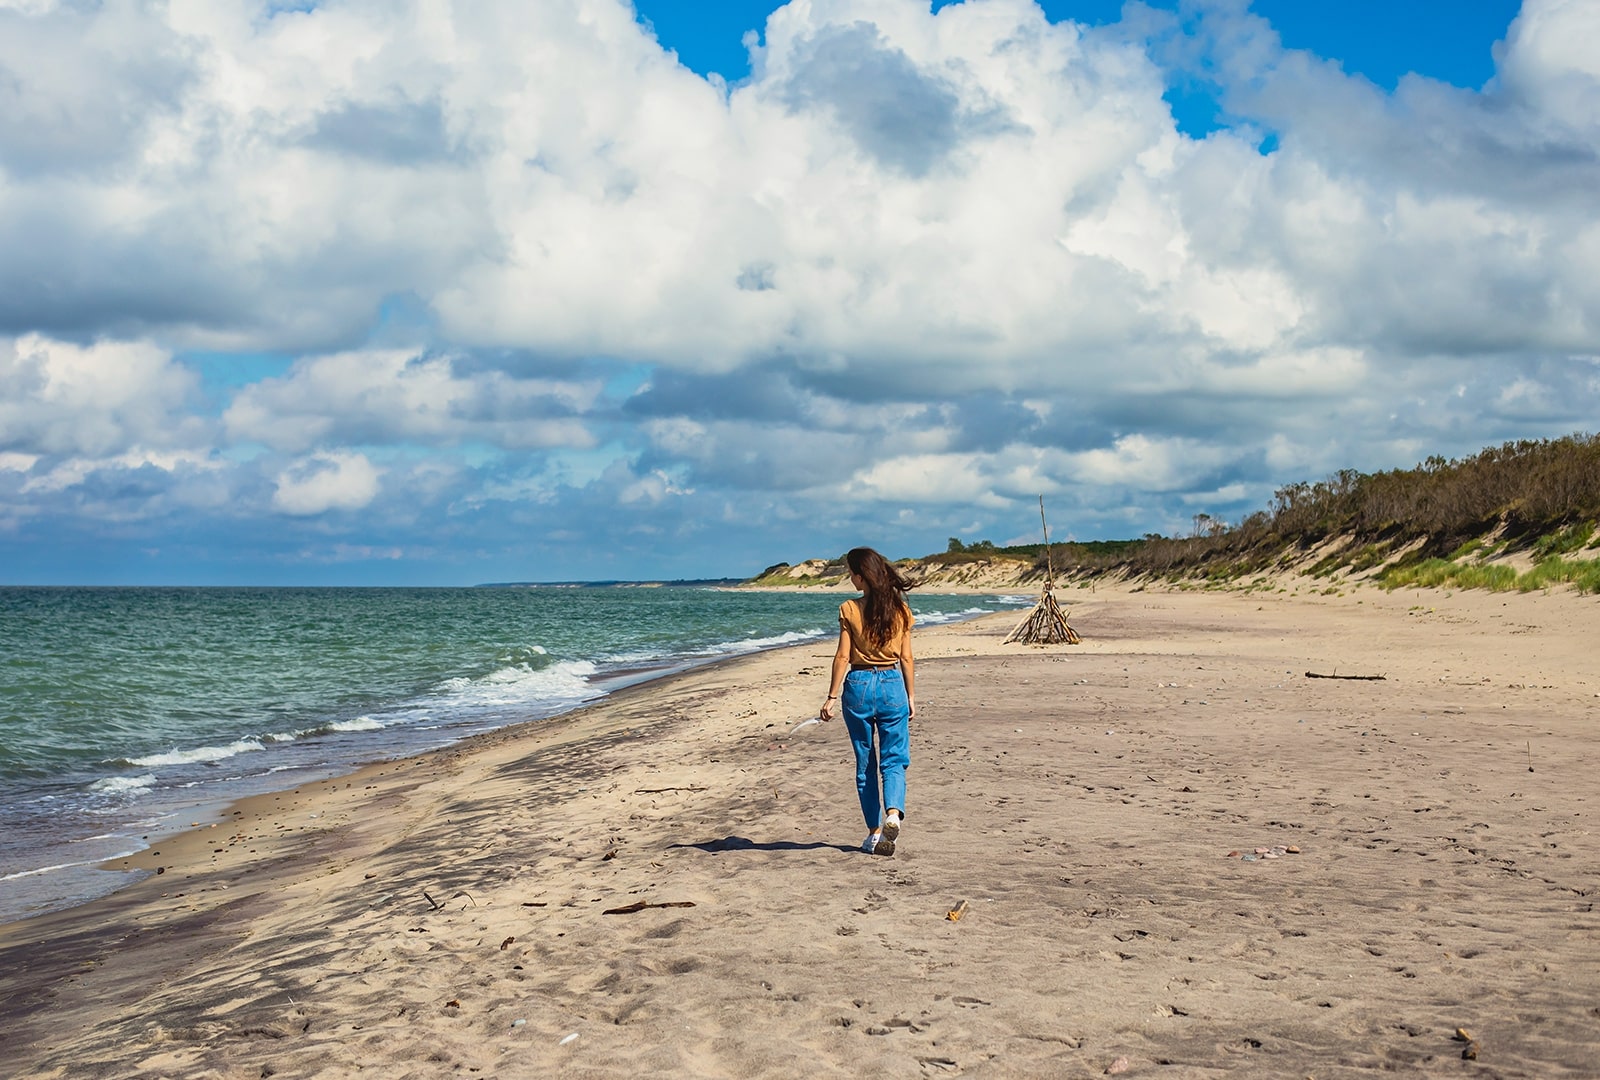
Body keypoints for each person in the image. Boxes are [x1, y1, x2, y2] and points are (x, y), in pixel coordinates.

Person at [819, 547, 915, 856]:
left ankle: (874, 833)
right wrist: (911, 695)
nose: (851, 578)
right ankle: (893, 813)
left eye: (852, 573)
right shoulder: (901, 611)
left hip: (859, 685)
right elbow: (906, 658)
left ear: (862, 577)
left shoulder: (849, 608)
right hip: (892, 684)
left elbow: (842, 656)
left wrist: (831, 697)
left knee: (865, 761)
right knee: (894, 759)